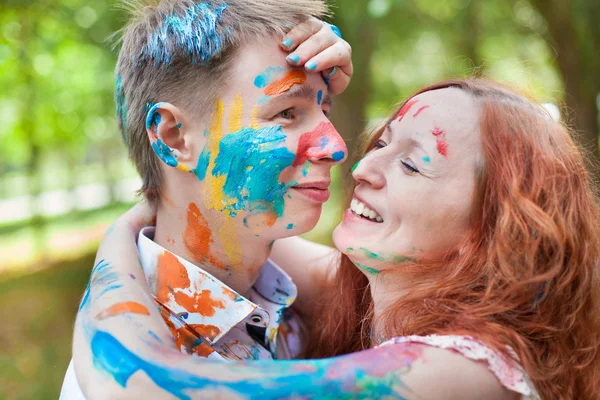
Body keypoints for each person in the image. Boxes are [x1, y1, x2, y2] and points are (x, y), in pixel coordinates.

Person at [71, 77, 600, 399]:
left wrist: (120, 231)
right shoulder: (377, 297)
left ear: (491, 232)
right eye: (382, 141)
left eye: (413, 165)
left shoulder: (466, 372)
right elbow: (227, 228)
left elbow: (140, 388)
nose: (363, 165)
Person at [60, 0, 355, 398]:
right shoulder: (118, 376)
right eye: (287, 112)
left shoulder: (287, 302)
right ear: (173, 138)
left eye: (324, 108)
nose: (335, 146)